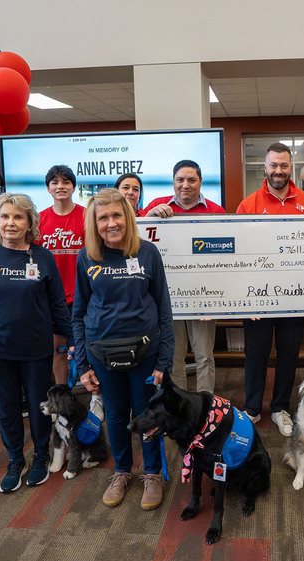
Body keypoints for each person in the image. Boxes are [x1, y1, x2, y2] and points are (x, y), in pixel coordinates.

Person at [71, 188, 173, 509]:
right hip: (102, 353)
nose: (111, 223)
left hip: (145, 353)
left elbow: (164, 309)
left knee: (148, 415)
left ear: (127, 218)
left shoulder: (147, 253)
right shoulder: (87, 256)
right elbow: (78, 313)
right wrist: (83, 365)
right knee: (114, 417)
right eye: (103, 218)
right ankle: (122, 471)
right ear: (94, 222)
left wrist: (164, 361)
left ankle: (152, 473)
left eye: (117, 215)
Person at [0, 193, 72, 493]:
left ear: (29, 223)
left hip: (37, 350)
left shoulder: (42, 256)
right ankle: (16, 459)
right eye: (4, 217)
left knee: (40, 407)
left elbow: (57, 306)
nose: (10, 222)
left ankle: (40, 456)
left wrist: (74, 340)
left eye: (18, 217)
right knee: (6, 408)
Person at [236, 143, 304, 437]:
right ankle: (253, 408)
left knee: (288, 355)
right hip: (257, 299)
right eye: (273, 165)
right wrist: (247, 299)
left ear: (291, 167)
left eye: (284, 166)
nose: (278, 171)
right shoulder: (248, 204)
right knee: (255, 355)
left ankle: (281, 407)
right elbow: (240, 255)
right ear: (265, 167)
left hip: (295, 298)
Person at [142, 160, 224, 394]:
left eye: (191, 180)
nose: (185, 185)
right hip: (169, 299)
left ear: (200, 182)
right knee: (173, 358)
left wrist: (217, 302)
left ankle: (205, 406)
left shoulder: (215, 211)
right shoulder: (157, 206)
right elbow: (137, 243)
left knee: (204, 357)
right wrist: (148, 217)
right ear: (174, 181)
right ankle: (179, 408)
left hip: (204, 298)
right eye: (180, 180)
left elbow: (226, 259)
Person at [37, 166, 92, 395]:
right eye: (55, 182)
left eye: (66, 182)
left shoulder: (86, 216)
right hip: (53, 298)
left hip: (83, 295)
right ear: (48, 188)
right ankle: (62, 398)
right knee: (59, 351)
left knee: (87, 349)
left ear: (73, 187)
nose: (60, 186)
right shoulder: (39, 219)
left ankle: (96, 397)